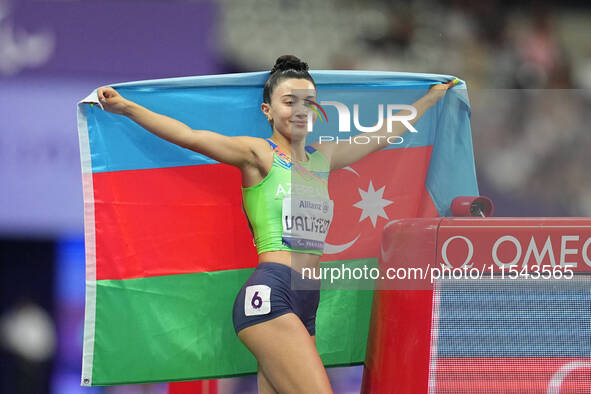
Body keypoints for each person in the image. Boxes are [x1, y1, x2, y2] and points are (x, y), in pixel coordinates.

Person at [97, 55, 455, 393]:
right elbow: (189, 136)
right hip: (271, 293)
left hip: (306, 298)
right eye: (289, 101)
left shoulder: (323, 159)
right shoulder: (258, 154)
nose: (300, 110)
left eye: (308, 101)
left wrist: (431, 99)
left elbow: (382, 135)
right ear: (268, 111)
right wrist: (126, 106)